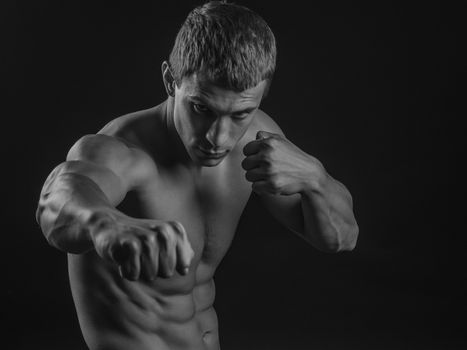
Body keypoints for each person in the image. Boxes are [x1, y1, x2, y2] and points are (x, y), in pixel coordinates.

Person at [36, 1, 359, 349]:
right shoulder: (122, 150)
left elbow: (341, 238)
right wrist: (107, 225)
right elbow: (58, 200)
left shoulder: (256, 138)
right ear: (170, 81)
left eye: (241, 114)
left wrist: (315, 177)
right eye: (202, 108)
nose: (218, 138)